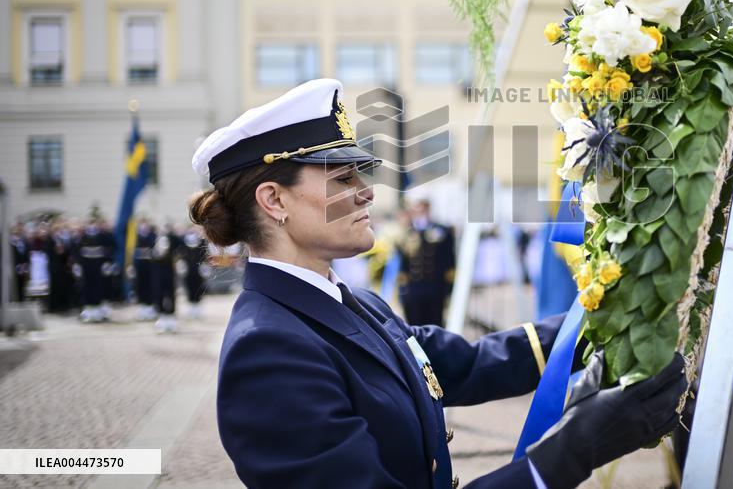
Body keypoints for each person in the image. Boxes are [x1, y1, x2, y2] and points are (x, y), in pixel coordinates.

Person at [191, 79, 687, 489]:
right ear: (274, 200)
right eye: (342, 178)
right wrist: (573, 450)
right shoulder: (268, 350)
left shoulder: (352, 302)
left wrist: (604, 320)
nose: (365, 192)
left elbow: (467, 366)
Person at [397, 198, 456, 326]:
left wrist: (448, 288)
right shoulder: (407, 232)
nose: (418, 210)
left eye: (421, 206)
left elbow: (449, 261)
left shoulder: (442, 231)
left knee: (435, 324)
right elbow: (403, 265)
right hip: (413, 290)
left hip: (435, 288)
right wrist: (403, 290)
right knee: (414, 326)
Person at [174, 224, 208, 319]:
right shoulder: (183, 241)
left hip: (198, 268)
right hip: (188, 268)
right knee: (188, 286)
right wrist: (181, 263)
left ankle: (197, 307)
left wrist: (205, 265)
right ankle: (191, 307)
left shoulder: (202, 241)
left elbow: (205, 254)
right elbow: (180, 253)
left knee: (198, 287)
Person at [133, 220, 159, 321]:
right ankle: (142, 307)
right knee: (140, 285)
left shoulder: (153, 235)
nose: (144, 227)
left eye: (145, 225)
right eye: (142, 225)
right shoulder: (136, 236)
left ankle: (150, 307)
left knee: (150, 285)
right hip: (140, 265)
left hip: (150, 264)